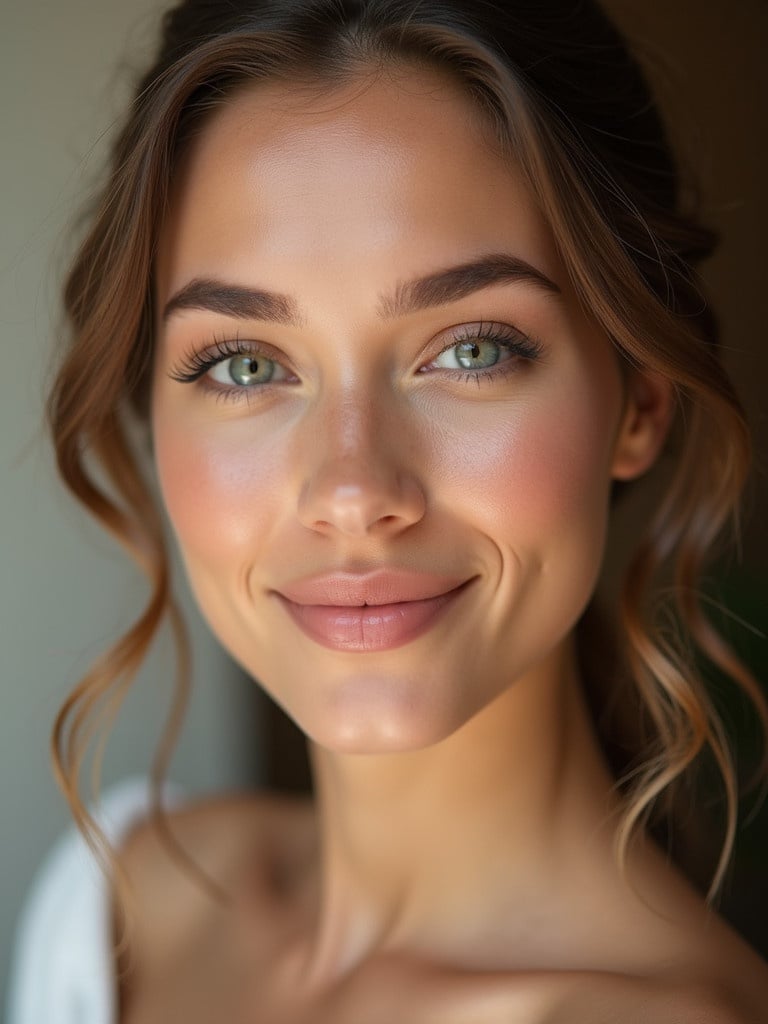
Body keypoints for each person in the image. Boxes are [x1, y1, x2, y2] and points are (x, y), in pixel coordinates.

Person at [7, 0, 768, 1020]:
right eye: (244, 363)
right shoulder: (111, 909)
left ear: (638, 397)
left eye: (470, 348)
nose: (355, 490)